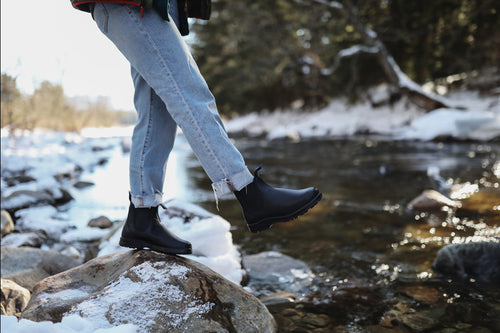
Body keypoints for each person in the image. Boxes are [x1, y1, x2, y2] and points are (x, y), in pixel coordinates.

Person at [69, 0, 322, 255]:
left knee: (157, 109)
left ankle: (142, 216)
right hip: (133, 4)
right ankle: (248, 192)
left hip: (146, 6)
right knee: (189, 93)